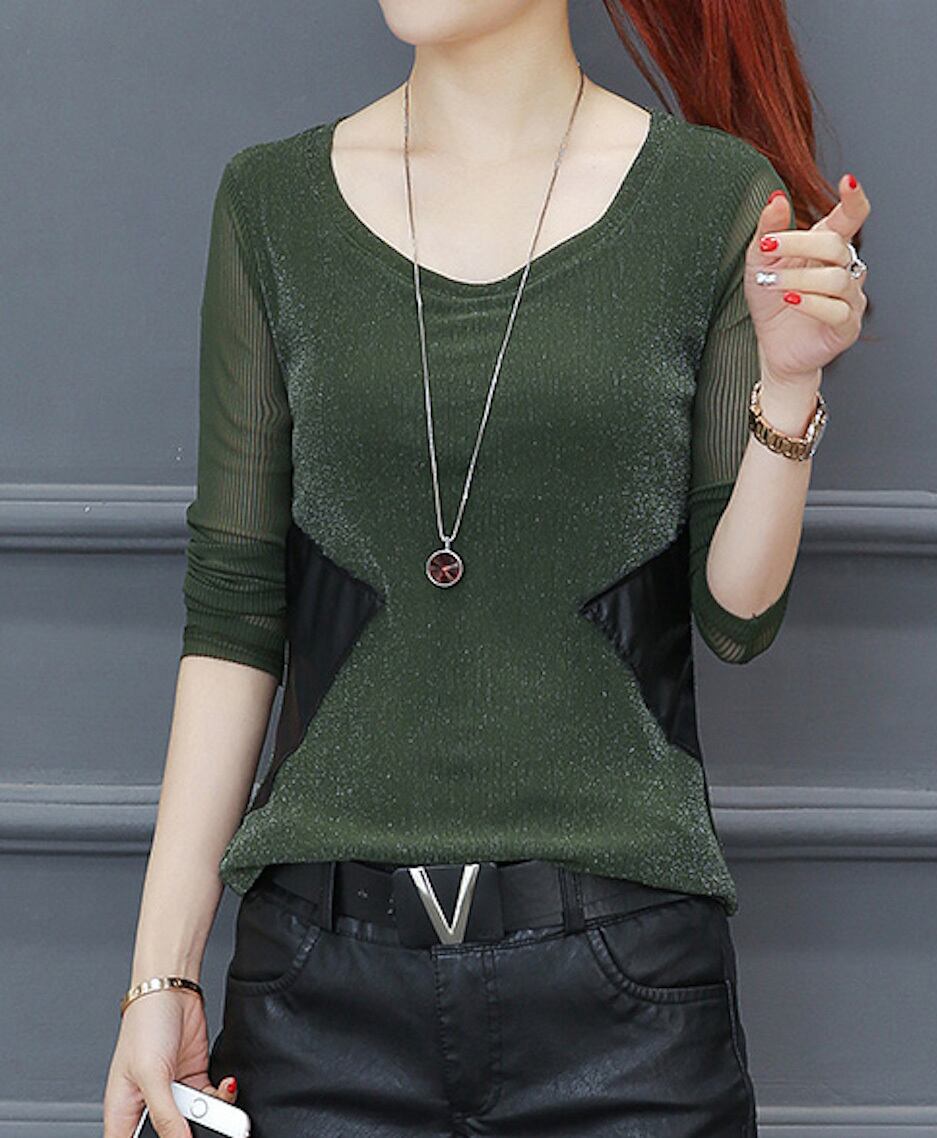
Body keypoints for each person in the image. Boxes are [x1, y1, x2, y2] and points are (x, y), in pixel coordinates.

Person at [103, 1, 870, 1135]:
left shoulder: (711, 198)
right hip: (319, 996)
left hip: (626, 999)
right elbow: (234, 616)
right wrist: (160, 974)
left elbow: (736, 615)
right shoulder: (273, 203)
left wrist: (790, 387)